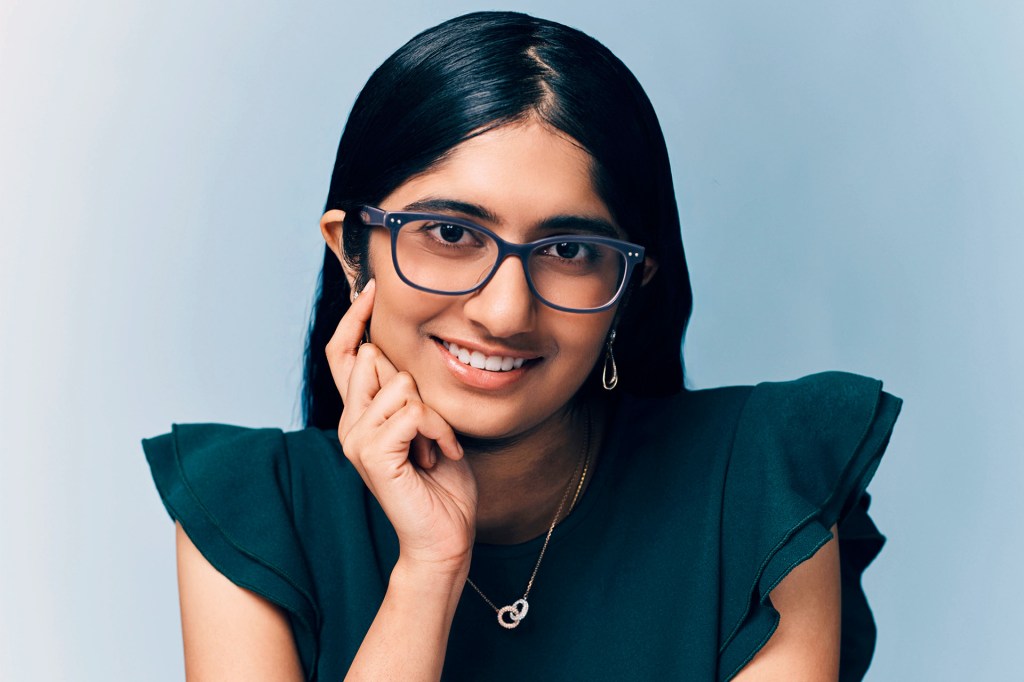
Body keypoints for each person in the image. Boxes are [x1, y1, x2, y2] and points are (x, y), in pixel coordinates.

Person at [142, 11, 902, 681]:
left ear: (630, 285)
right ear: (351, 252)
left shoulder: (765, 483)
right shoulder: (251, 514)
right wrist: (428, 570)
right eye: (450, 234)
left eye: (569, 251)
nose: (505, 313)